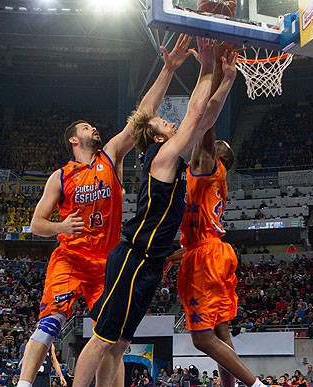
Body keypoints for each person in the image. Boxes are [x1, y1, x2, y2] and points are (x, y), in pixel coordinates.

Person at [18, 34, 194, 387]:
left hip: (108, 260)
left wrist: (168, 68)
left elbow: (142, 116)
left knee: (113, 341)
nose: (93, 128)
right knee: (51, 323)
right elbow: (36, 223)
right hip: (70, 258)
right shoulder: (60, 176)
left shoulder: (110, 156)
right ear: (73, 139)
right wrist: (61, 227)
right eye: (86, 127)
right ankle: (22, 384)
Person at [72, 37, 237, 387]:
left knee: (118, 345)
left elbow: (204, 119)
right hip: (134, 257)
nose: (170, 122)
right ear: (156, 137)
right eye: (164, 122)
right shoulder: (160, 158)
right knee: (103, 338)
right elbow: (194, 115)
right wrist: (206, 67)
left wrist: (227, 80)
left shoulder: (170, 160)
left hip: (149, 264)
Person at [170, 76, 263, 387]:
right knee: (222, 332)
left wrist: (214, 78)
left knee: (201, 340)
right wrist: (176, 254)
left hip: (207, 259)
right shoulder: (205, 175)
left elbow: (205, 120)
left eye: (213, 147)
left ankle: (257, 385)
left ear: (219, 158)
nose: (207, 145)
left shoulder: (208, 167)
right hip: (211, 250)